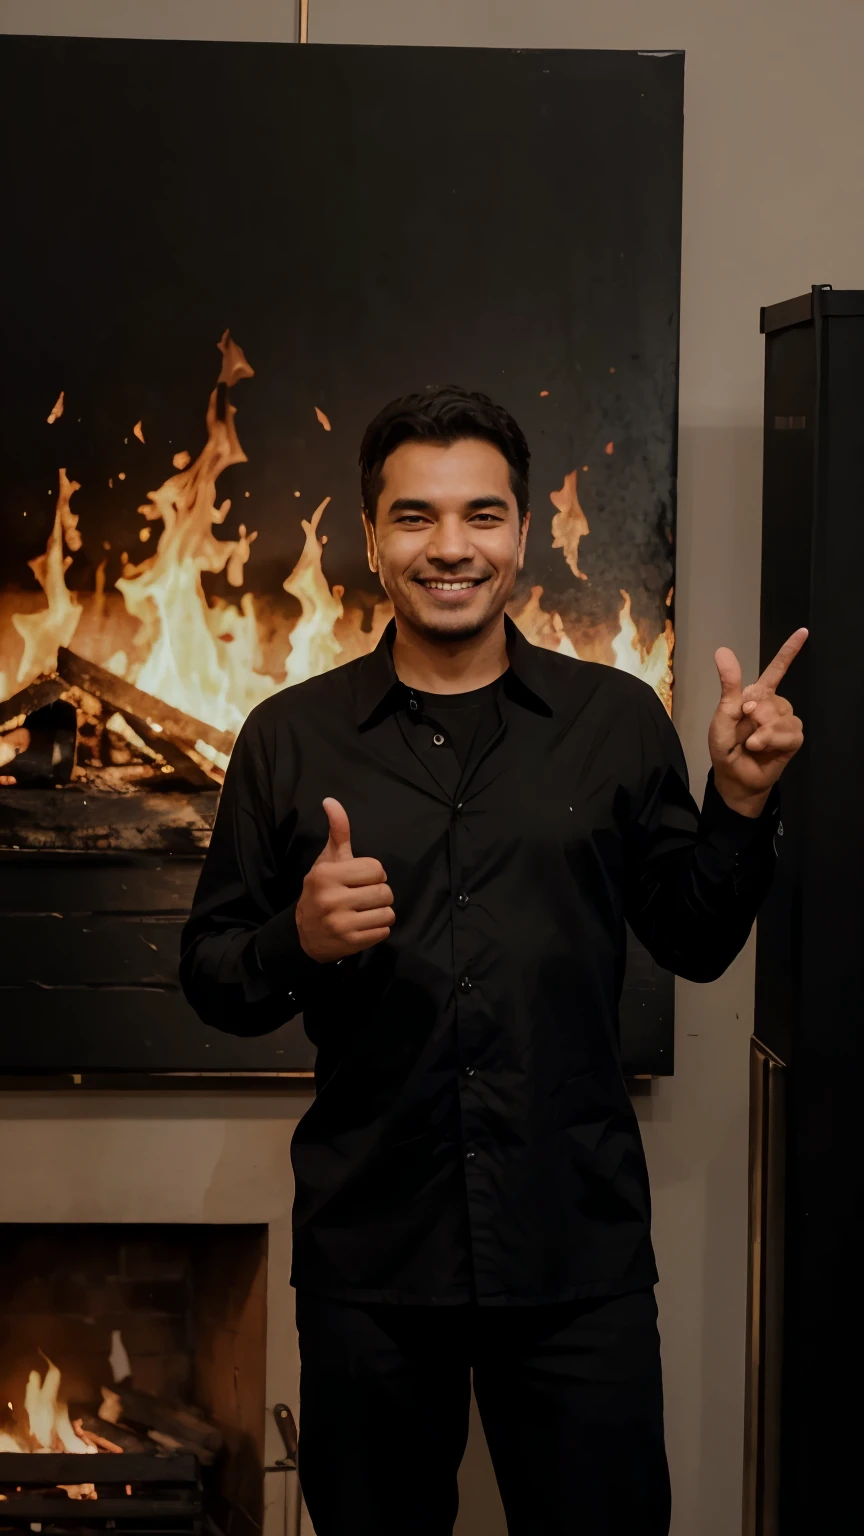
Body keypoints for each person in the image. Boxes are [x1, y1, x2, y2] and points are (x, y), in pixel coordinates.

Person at [180, 387, 805, 1535]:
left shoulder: (614, 722)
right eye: (415, 518)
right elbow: (212, 974)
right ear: (371, 538)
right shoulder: (288, 737)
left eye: (481, 514)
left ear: (524, 532)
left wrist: (741, 802)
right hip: (372, 1258)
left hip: (576, 1251)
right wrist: (296, 942)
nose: (450, 547)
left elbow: (696, 939)